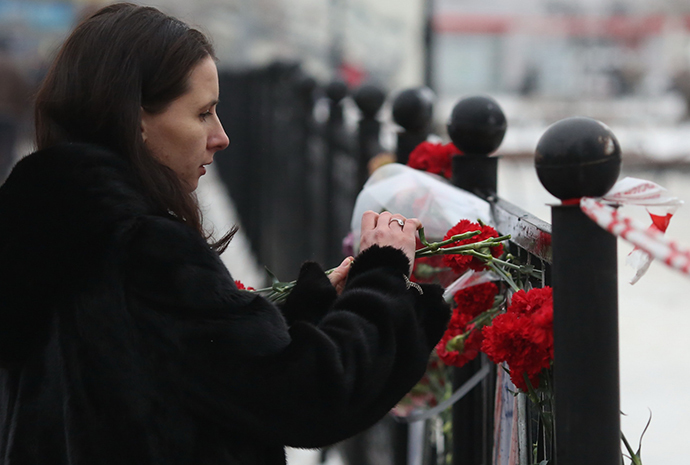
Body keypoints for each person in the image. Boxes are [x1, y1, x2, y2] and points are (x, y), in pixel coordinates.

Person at [0, 3, 450, 464]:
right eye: (203, 114)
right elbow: (310, 395)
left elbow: (183, 363)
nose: (221, 136)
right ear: (135, 119)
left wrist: (309, 309)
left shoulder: (52, 222)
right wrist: (382, 278)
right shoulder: (142, 250)